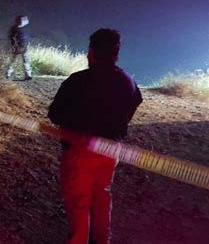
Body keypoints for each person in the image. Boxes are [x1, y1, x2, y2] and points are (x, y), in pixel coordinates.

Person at [48, 28, 142, 244]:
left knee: (79, 201)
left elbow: (55, 114)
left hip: (81, 150)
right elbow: (134, 104)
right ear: (116, 54)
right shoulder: (127, 81)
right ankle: (102, 240)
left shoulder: (77, 81)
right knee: (102, 196)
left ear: (91, 52)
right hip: (111, 151)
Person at [6, 15, 32, 80]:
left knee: (24, 61)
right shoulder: (15, 29)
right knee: (14, 61)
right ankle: (7, 74)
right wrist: (14, 45)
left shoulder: (18, 28)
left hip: (22, 47)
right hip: (17, 47)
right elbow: (11, 38)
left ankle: (28, 75)